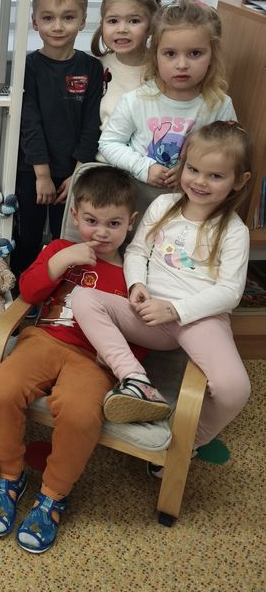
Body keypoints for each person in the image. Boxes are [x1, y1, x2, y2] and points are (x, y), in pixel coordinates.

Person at [0, 165, 142, 553]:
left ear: (131, 222)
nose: (101, 233)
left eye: (113, 223)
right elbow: (29, 291)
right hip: (44, 339)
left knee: (80, 413)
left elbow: (138, 336)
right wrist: (63, 258)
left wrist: (118, 365)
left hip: (93, 360)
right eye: (91, 221)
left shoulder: (133, 275)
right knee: (2, 387)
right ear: (75, 215)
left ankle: (52, 495)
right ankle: (10, 476)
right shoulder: (59, 250)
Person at [71, 122, 252, 463]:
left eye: (215, 176)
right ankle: (136, 380)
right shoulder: (163, 205)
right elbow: (137, 252)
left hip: (200, 320)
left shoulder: (234, 231)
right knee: (82, 297)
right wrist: (136, 285)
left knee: (235, 389)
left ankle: (187, 445)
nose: (200, 181)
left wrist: (176, 310)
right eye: (193, 169)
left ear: (239, 181)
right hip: (148, 314)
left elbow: (231, 292)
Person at [98, 0, 235, 215]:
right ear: (156, 55)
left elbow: (229, 156)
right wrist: (145, 168)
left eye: (195, 53)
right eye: (170, 54)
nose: (182, 64)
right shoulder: (136, 100)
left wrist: (191, 171)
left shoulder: (220, 105)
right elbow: (108, 143)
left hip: (189, 206)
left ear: (212, 55)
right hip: (137, 200)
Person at [13, 0, 103, 278]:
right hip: (33, 172)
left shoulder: (91, 68)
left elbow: (92, 123)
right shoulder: (28, 67)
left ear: (83, 20)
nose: (58, 26)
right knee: (28, 239)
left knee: (67, 241)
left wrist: (77, 174)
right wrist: (42, 175)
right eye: (48, 17)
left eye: (68, 17)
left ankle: (61, 294)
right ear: (34, 21)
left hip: (73, 173)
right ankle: (23, 292)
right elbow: (29, 122)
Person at [91, 0, 162, 132]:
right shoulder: (97, 68)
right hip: (102, 146)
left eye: (134, 21)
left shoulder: (163, 70)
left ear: (151, 25)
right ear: (102, 24)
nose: (122, 29)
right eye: (113, 21)